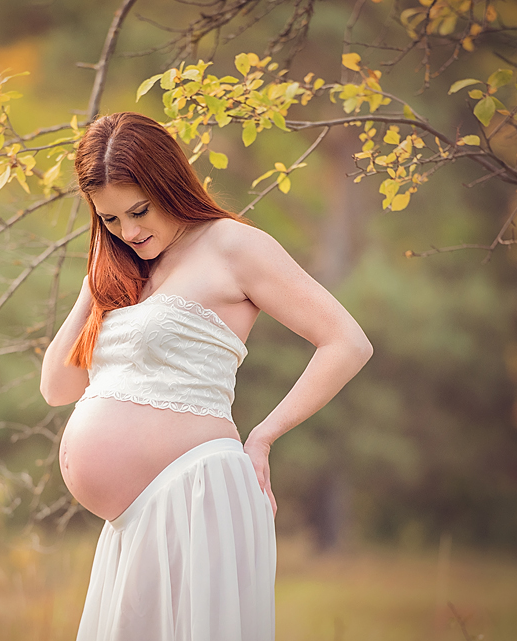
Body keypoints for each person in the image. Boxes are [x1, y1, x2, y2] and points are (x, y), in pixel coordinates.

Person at [40, 112, 372, 641]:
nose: (130, 231)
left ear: (168, 184)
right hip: (131, 522)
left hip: (196, 495)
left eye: (139, 211)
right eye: (110, 220)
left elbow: (347, 342)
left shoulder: (233, 245)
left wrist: (264, 435)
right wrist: (95, 278)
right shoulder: (128, 268)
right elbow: (57, 388)